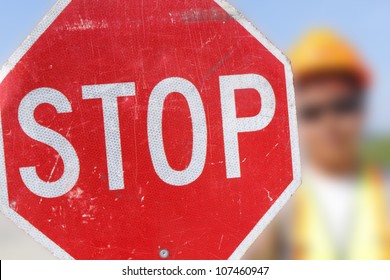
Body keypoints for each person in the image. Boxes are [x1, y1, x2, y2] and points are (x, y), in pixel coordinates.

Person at [243, 29, 390, 260]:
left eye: (343, 106)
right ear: (293, 120)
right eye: (312, 112)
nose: (329, 124)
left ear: (362, 109)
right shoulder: (276, 210)